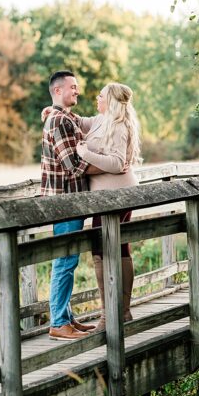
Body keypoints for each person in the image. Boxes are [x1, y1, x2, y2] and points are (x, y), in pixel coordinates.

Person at [40, 71, 105, 341]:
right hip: (65, 202)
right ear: (58, 91)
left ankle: (65, 317)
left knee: (69, 259)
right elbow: (74, 166)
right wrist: (112, 166)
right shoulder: (58, 121)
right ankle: (58, 323)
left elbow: (94, 123)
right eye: (73, 87)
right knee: (65, 261)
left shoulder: (66, 118)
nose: (77, 91)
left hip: (72, 200)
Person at [75, 82, 142, 330]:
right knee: (119, 248)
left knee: (101, 251)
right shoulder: (103, 119)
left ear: (111, 100)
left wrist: (85, 154)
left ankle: (109, 315)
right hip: (111, 195)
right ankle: (122, 313)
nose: (97, 97)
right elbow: (82, 122)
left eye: (101, 95)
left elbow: (116, 163)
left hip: (114, 197)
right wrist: (54, 111)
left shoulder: (117, 126)